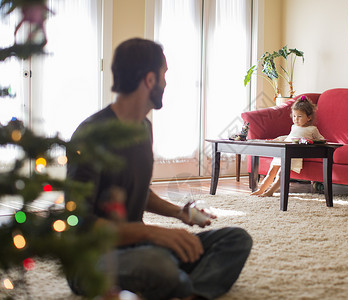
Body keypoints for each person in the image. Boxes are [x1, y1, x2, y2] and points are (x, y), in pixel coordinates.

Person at [66, 38, 252, 300]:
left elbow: (139, 192)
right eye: (165, 74)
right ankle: (182, 284)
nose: (166, 83)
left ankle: (190, 293)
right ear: (150, 79)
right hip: (92, 260)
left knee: (236, 239)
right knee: (158, 264)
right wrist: (151, 232)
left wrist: (179, 213)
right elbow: (79, 224)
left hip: (137, 246)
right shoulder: (91, 136)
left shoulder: (144, 128)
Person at [250, 96, 324, 197]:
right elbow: (290, 137)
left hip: (292, 153)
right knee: (271, 171)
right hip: (282, 151)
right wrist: (280, 138)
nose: (296, 119)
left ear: (309, 117)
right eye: (294, 116)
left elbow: (321, 139)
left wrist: (311, 141)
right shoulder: (293, 127)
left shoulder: (312, 129)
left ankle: (270, 191)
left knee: (281, 174)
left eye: (299, 116)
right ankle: (261, 189)